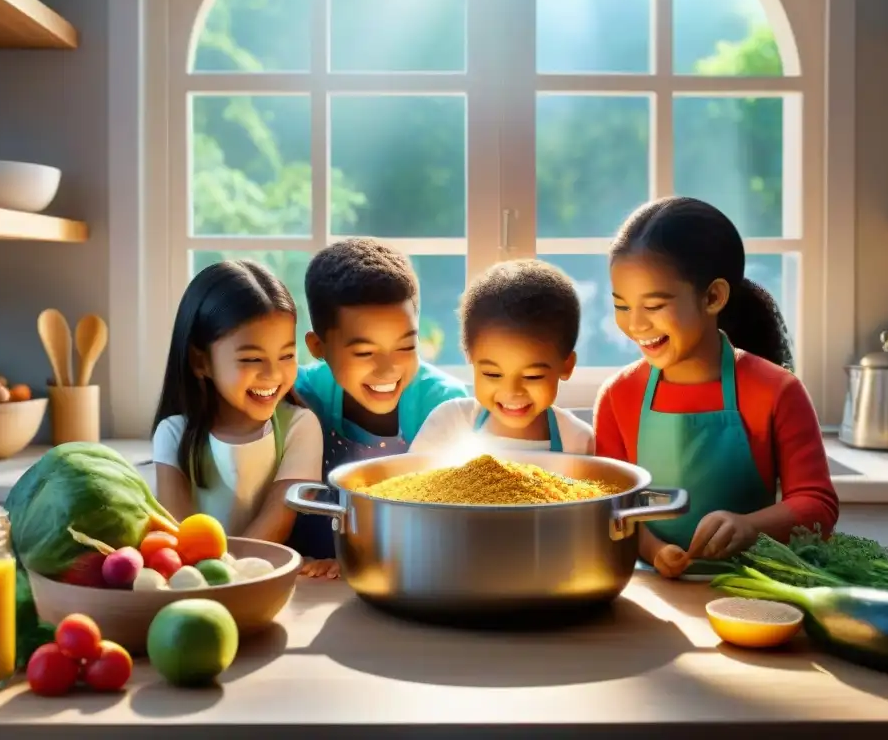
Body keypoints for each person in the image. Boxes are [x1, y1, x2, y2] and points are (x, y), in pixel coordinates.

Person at [594, 196, 839, 579]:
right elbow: (612, 508)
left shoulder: (776, 391)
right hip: (655, 593)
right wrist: (655, 551)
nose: (636, 324)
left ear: (713, 297)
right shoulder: (617, 396)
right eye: (622, 306)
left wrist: (749, 527)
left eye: (654, 306)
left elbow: (818, 507)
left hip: (755, 590)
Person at [293, 238, 469, 574]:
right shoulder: (303, 393)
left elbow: (446, 526)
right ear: (318, 346)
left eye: (406, 347)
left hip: (411, 575)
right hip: (310, 577)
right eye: (364, 353)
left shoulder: (445, 405)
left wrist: (357, 563)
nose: (388, 369)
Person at [151, 260, 324, 566]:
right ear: (200, 362)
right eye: (252, 359)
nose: (273, 374)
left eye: (286, 355)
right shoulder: (173, 434)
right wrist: (215, 573)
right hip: (196, 576)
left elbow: (278, 517)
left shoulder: (301, 426)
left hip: (262, 573)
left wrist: (230, 571)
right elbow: (181, 532)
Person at [411, 259, 594, 456]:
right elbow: (409, 481)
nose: (512, 392)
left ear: (566, 366)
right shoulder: (450, 424)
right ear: (470, 357)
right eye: (492, 374)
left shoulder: (578, 440)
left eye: (532, 376)